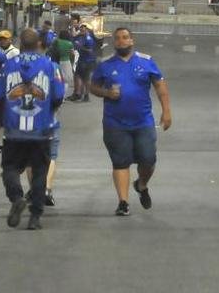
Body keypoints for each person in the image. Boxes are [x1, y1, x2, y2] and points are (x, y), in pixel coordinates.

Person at [88, 27, 171, 216]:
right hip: (115, 123)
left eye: (125, 38)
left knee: (148, 159)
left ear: (131, 41)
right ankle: (123, 202)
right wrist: (107, 93)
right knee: (120, 162)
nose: (121, 41)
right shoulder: (106, 65)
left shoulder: (146, 61)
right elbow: (93, 87)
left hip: (143, 122)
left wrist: (166, 111)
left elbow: (160, 86)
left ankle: (141, 185)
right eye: (117, 38)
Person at [0, 28, 64, 230]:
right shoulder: (51, 67)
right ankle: (35, 216)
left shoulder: (7, 66)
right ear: (38, 44)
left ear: (19, 43)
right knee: (40, 172)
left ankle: (17, 197)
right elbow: (59, 96)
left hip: (14, 128)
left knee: (10, 168)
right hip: (41, 129)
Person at [70, 17, 97, 102]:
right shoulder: (80, 37)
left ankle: (86, 95)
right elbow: (74, 41)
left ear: (87, 30)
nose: (82, 30)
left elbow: (90, 50)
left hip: (87, 61)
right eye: (81, 28)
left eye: (84, 28)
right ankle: (79, 94)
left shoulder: (89, 39)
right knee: (78, 76)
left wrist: (81, 48)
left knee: (86, 78)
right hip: (81, 60)